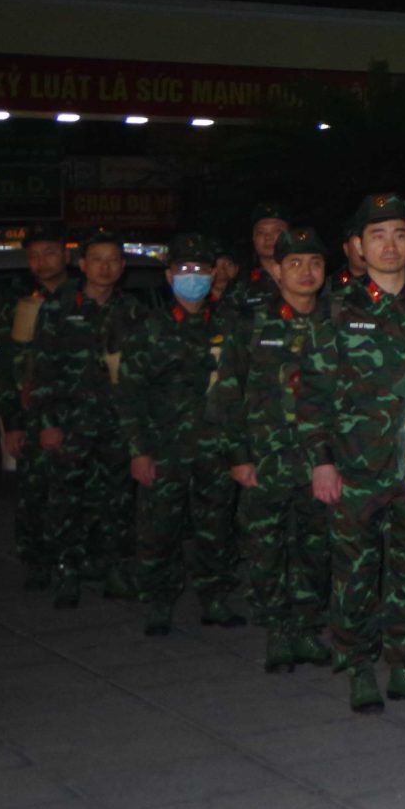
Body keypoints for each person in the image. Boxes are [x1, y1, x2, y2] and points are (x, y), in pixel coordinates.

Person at [303, 193, 405, 713]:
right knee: (355, 573)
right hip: (356, 465)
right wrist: (321, 460)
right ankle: (357, 665)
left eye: (400, 234)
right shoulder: (338, 309)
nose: (390, 245)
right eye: (378, 235)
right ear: (359, 246)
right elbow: (312, 392)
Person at [215, 226, 337, 672]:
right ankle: (278, 632)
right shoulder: (252, 324)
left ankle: (306, 628)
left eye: (315, 262)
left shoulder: (336, 323)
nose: (306, 272)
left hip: (319, 460)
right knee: (266, 548)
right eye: (295, 263)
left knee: (315, 547)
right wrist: (238, 456)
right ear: (278, 271)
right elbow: (228, 392)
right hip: (266, 458)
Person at [119, 232, 246, 636]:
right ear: (170, 276)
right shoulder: (149, 327)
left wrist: (240, 450)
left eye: (201, 269)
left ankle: (215, 597)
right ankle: (159, 601)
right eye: (185, 269)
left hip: (216, 448)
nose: (193, 276)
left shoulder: (228, 326)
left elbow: (241, 390)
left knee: (216, 526)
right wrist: (138, 450)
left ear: (213, 275)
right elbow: (129, 394)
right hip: (164, 448)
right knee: (159, 528)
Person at [24, 229, 149, 607]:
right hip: (70, 422)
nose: (105, 267)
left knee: (117, 501)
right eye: (97, 260)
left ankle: (114, 570)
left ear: (123, 266)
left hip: (116, 423)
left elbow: (142, 369)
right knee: (66, 501)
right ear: (82, 265)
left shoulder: (133, 310)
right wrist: (47, 423)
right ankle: (67, 571)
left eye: (112, 260)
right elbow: (41, 369)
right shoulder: (59, 307)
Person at [0, 222, 74, 592]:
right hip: (32, 416)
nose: (42, 262)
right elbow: (5, 368)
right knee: (34, 493)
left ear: (66, 256)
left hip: (80, 415)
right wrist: (11, 422)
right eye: (35, 256)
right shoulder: (20, 305)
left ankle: (80, 561)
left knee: (83, 493)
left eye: (50, 253)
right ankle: (37, 562)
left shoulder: (84, 299)